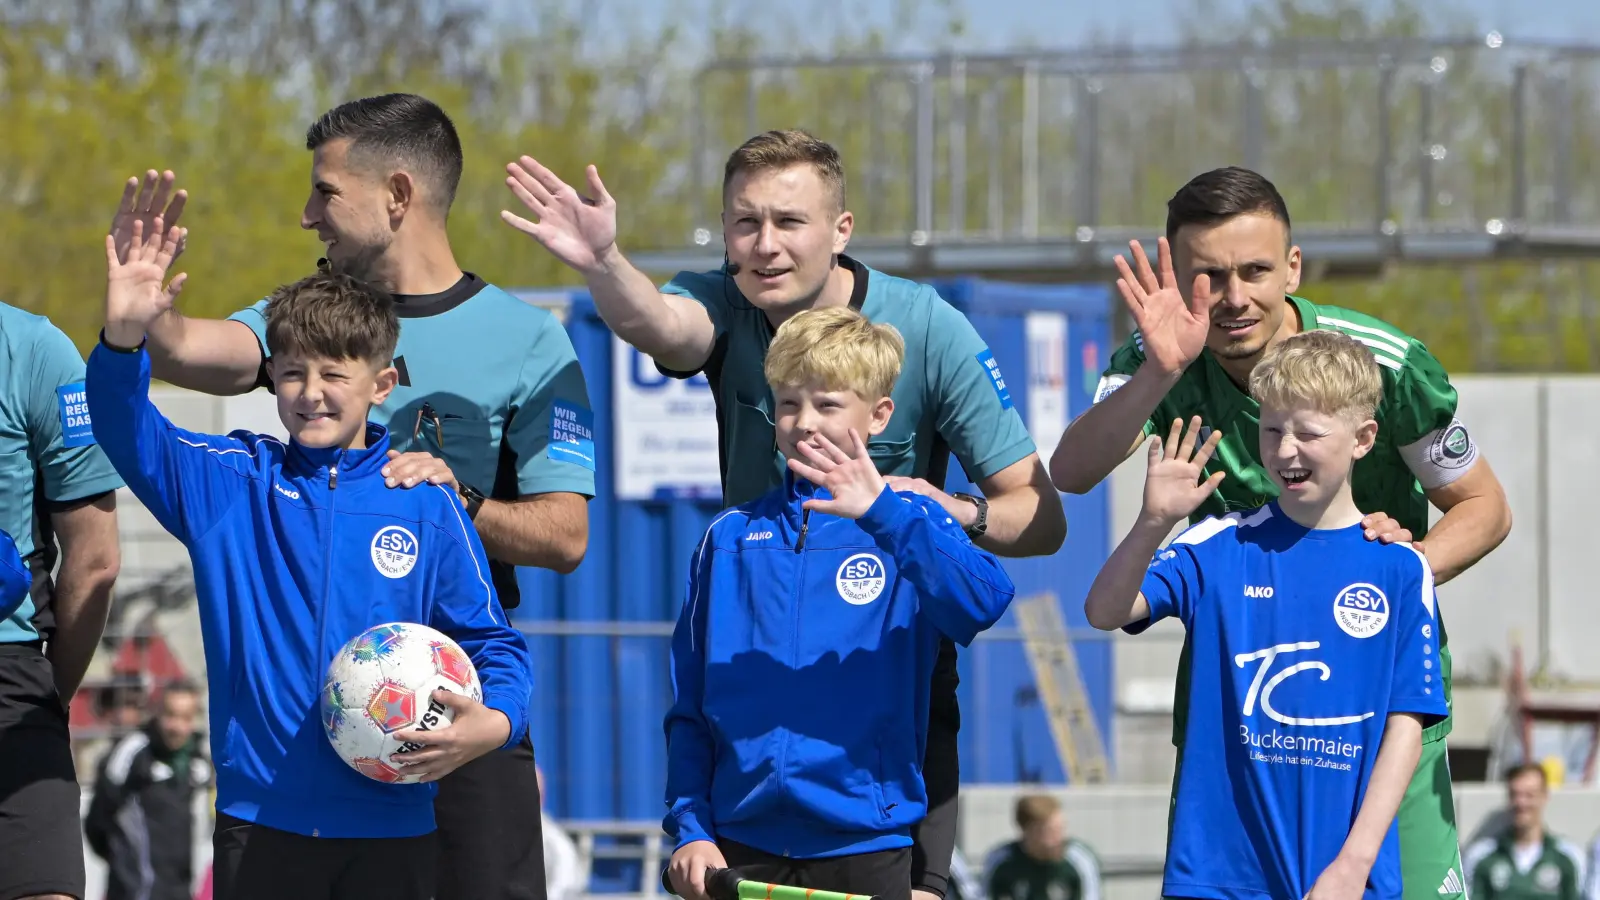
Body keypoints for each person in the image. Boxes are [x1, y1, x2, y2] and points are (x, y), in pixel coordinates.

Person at [505, 128, 1065, 900]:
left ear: (841, 230)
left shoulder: (928, 329)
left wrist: (940, 511)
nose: (764, 246)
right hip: (759, 687)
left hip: (884, 691)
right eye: (745, 223)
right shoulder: (727, 520)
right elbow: (662, 327)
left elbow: (1035, 519)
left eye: (789, 222)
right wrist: (604, 263)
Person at [111, 91, 593, 900]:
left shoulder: (532, 339)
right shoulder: (300, 318)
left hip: (448, 713)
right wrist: (135, 321)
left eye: (326, 191)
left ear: (397, 195)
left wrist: (458, 499)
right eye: (291, 372)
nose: (307, 214)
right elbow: (182, 351)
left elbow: (567, 537)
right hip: (294, 783)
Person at [1050, 166, 1513, 899]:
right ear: (1180, 278)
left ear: (1292, 267)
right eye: (1209, 276)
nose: (1234, 298)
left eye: (1255, 271)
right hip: (1243, 723)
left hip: (1376, 708)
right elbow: (1070, 471)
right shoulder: (1162, 361)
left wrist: (1401, 571)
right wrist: (1160, 372)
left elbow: (1485, 506)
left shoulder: (1385, 366)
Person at [661, 307, 1016, 900]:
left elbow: (983, 602)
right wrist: (692, 829)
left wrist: (882, 515)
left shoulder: (911, 521)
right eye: (788, 403)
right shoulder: (726, 539)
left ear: (879, 415)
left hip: (867, 848)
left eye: (827, 405)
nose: (804, 423)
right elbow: (691, 708)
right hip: (737, 846)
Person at [1085, 330, 1448, 900]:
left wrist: (1354, 865)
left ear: (1363, 438)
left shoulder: (1400, 569)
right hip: (1219, 877)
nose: (1285, 450)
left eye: (1308, 433)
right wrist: (1152, 522)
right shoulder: (1218, 545)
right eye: (1272, 429)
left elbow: (1407, 723)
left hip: (1347, 880)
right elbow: (1105, 610)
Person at [0, 298, 124, 900]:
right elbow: (96, 562)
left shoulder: (35, 350)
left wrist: (48, 696)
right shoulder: (32, 347)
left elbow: (96, 562)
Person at [85, 680, 213, 900]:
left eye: (185, 718)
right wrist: (123, 865)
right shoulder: (131, 752)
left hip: (180, 892)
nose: (177, 727)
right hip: (131, 892)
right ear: (157, 712)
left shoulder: (198, 763)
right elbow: (97, 820)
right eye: (171, 715)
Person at [1464, 764, 1584, 900]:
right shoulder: (1481, 855)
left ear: (1545, 796)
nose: (1521, 802)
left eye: (1529, 795)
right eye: (1514, 795)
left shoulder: (1568, 856)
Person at [983, 795, 1101, 900]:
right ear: (1025, 830)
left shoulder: (1079, 859)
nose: (1058, 838)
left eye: (1060, 828)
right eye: (1049, 831)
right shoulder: (1002, 860)